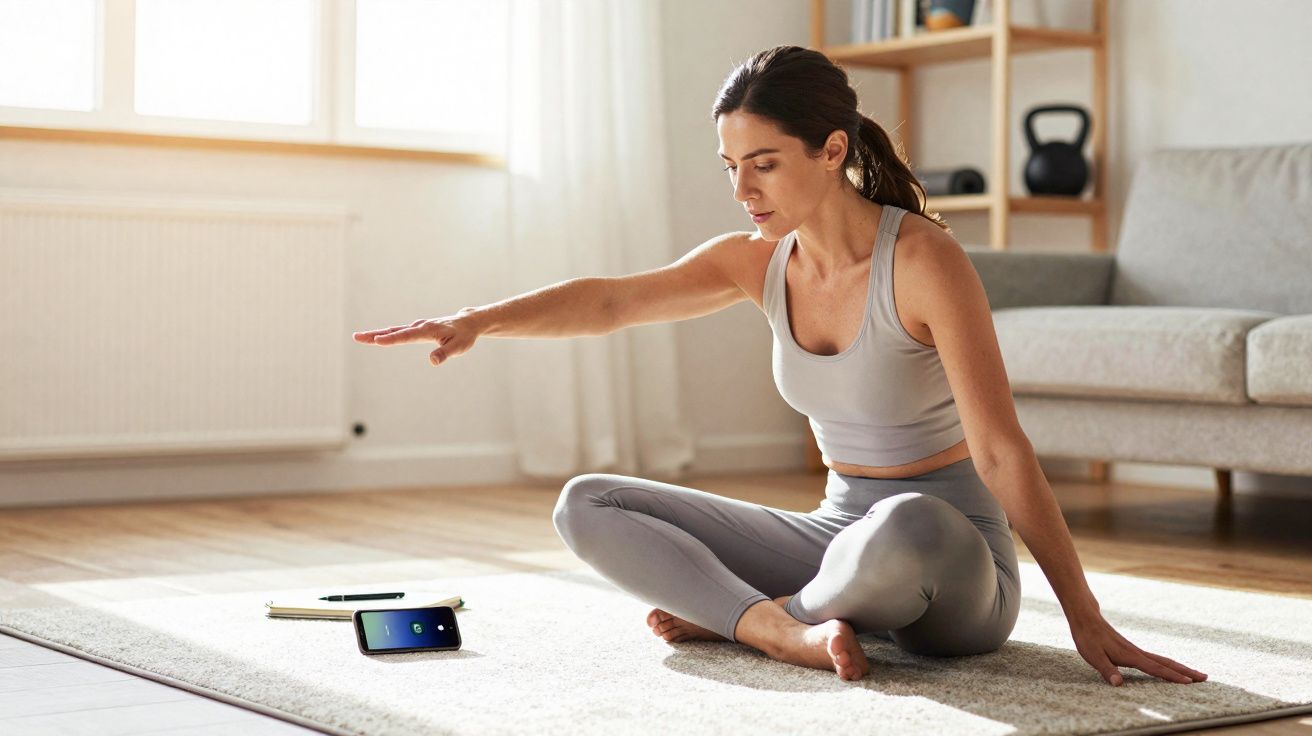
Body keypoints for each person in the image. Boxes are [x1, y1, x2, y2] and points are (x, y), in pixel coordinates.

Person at [354, 44, 1208, 687]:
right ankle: (772, 627)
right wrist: (477, 320)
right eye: (732, 167)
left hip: (952, 562)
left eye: (763, 164)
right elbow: (613, 301)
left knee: (903, 522)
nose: (743, 189)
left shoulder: (921, 259)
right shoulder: (756, 261)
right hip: (832, 536)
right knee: (588, 503)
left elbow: (1000, 453)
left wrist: (1085, 617)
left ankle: (761, 617)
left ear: (832, 150)